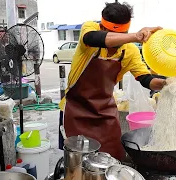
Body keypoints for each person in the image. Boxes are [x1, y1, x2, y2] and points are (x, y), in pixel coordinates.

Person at [59, 2, 166, 161]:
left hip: (105, 114)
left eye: (121, 35)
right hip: (75, 110)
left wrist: (166, 84)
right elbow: (93, 38)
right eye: (108, 32)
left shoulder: (129, 51)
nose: (115, 40)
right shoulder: (90, 31)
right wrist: (136, 36)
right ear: (102, 27)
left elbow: (146, 79)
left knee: (113, 160)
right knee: (78, 164)